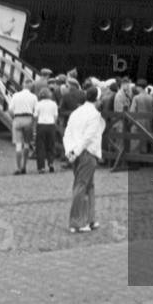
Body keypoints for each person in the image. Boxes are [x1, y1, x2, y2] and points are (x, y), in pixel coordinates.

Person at [63, 85, 106, 233]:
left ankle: (89, 219)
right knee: (82, 186)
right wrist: (77, 151)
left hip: (76, 151)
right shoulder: (94, 114)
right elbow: (89, 137)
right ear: (98, 99)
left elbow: (67, 133)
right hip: (87, 153)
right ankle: (76, 222)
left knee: (87, 186)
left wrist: (69, 151)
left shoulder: (76, 112)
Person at [8, 79, 37, 175]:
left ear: (23, 85)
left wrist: (14, 118)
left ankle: (17, 167)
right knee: (27, 144)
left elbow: (10, 110)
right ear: (31, 87)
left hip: (17, 118)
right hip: (28, 118)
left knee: (18, 145)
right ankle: (24, 166)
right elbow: (35, 112)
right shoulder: (33, 97)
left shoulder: (16, 95)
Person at [34, 87, 59, 173]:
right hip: (51, 125)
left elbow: (35, 116)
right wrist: (54, 124)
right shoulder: (54, 104)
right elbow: (56, 116)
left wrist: (37, 123)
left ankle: (41, 167)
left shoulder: (38, 104)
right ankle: (51, 162)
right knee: (51, 145)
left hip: (41, 125)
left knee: (40, 146)